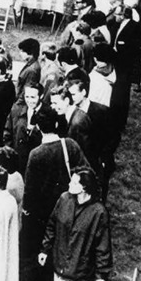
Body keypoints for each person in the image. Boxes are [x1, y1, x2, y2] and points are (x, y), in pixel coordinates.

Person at [21, 108, 88, 260]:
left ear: (38, 127)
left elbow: (30, 191)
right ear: (56, 124)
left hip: (45, 212)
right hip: (71, 204)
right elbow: (86, 172)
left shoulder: (36, 154)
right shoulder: (70, 144)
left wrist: (27, 212)